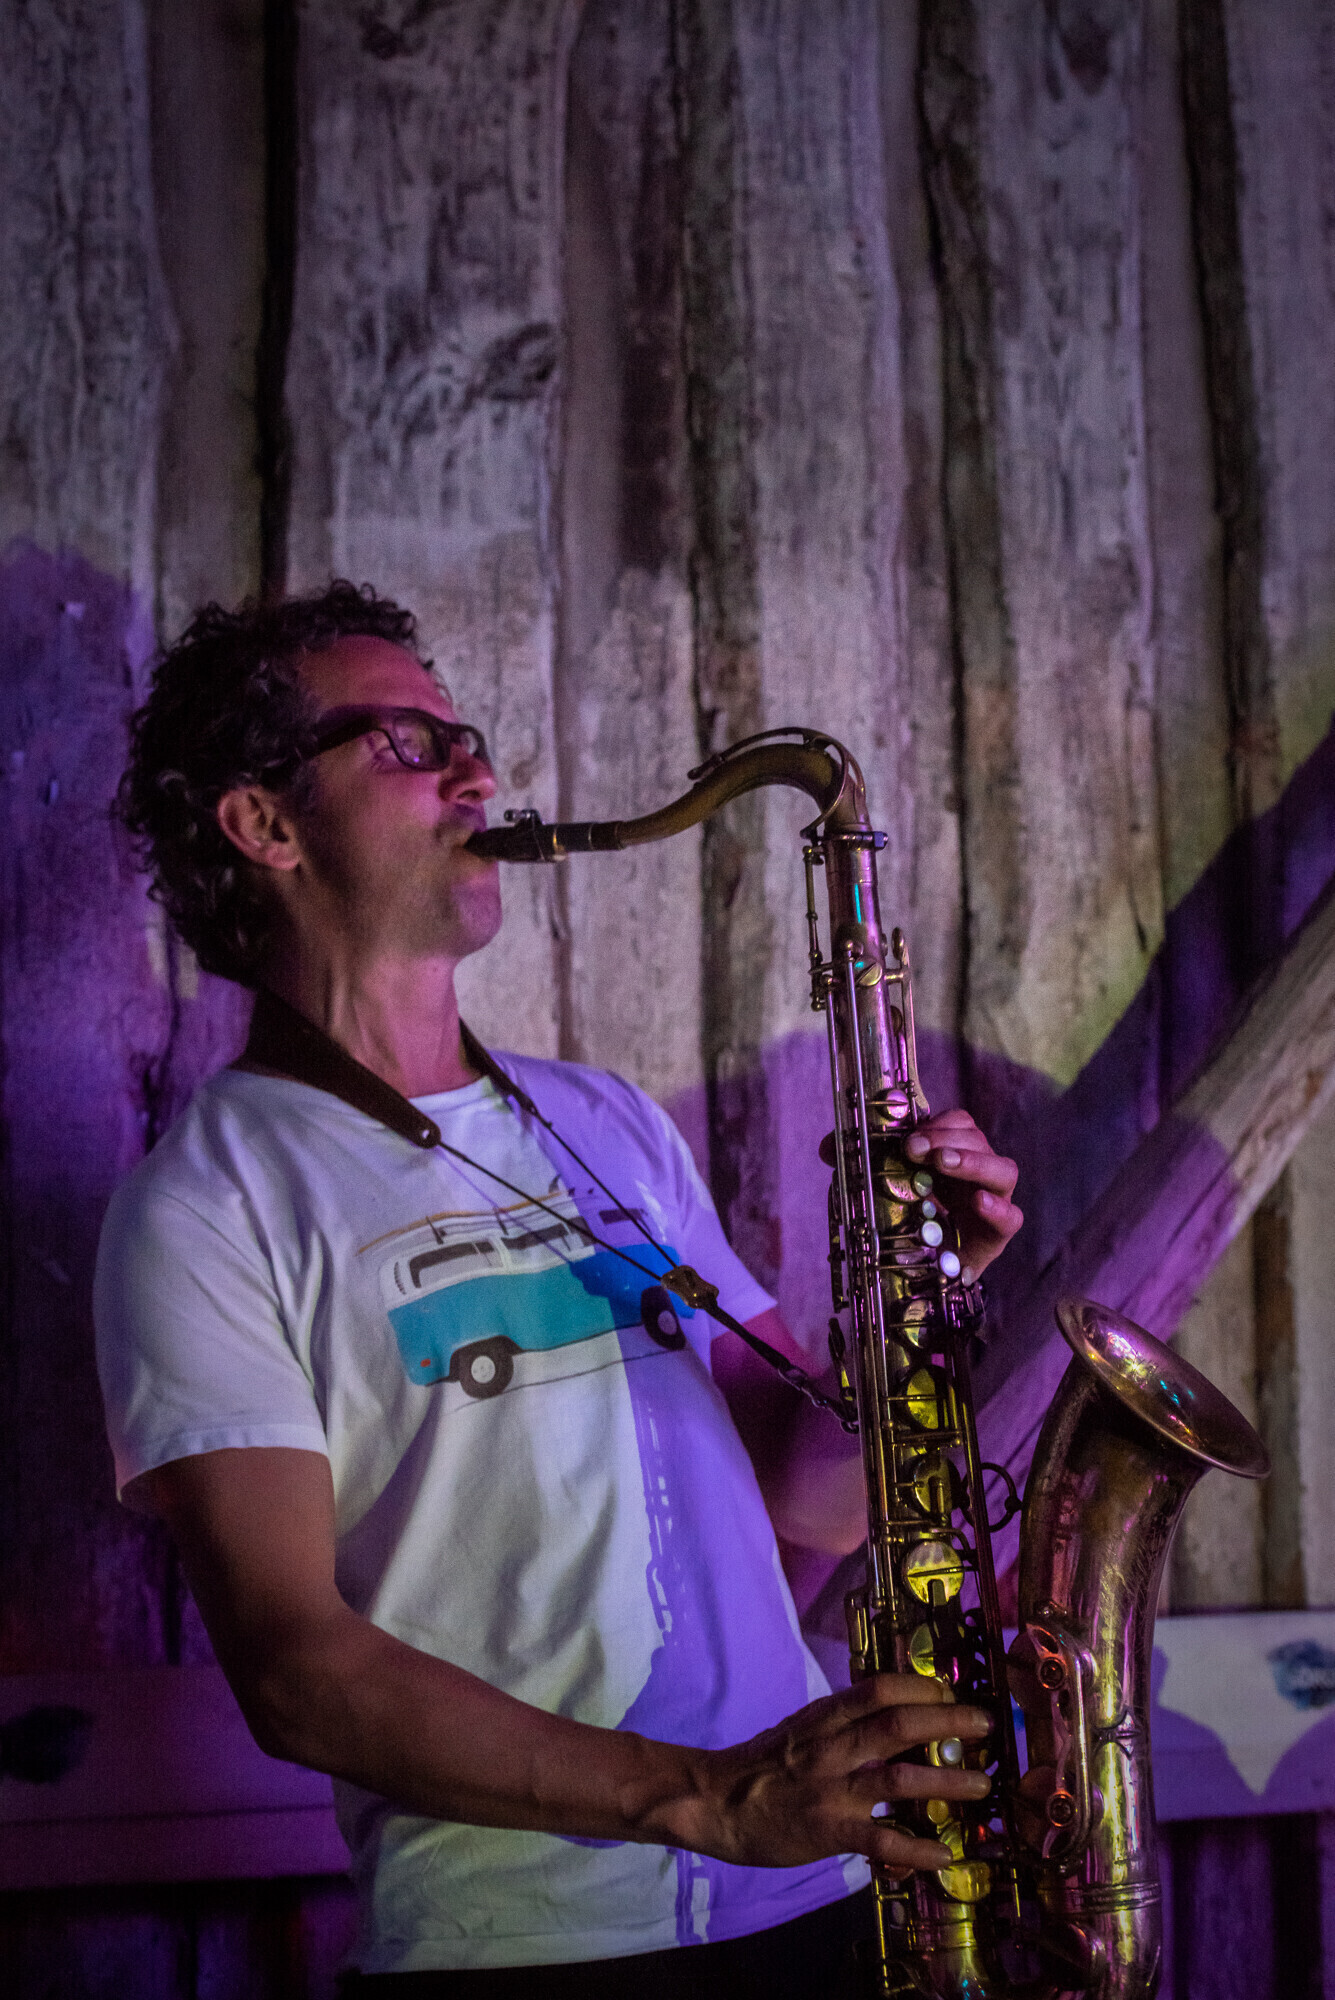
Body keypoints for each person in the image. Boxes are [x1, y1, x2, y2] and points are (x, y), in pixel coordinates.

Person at [94, 583, 1023, 1996]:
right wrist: (706, 1798)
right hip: (522, 1946)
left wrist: (929, 1288)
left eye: (464, 738)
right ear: (265, 823)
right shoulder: (202, 1207)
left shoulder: (606, 1121)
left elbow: (815, 1496)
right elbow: (295, 1673)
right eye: (409, 745)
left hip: (820, 1894)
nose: (476, 777)